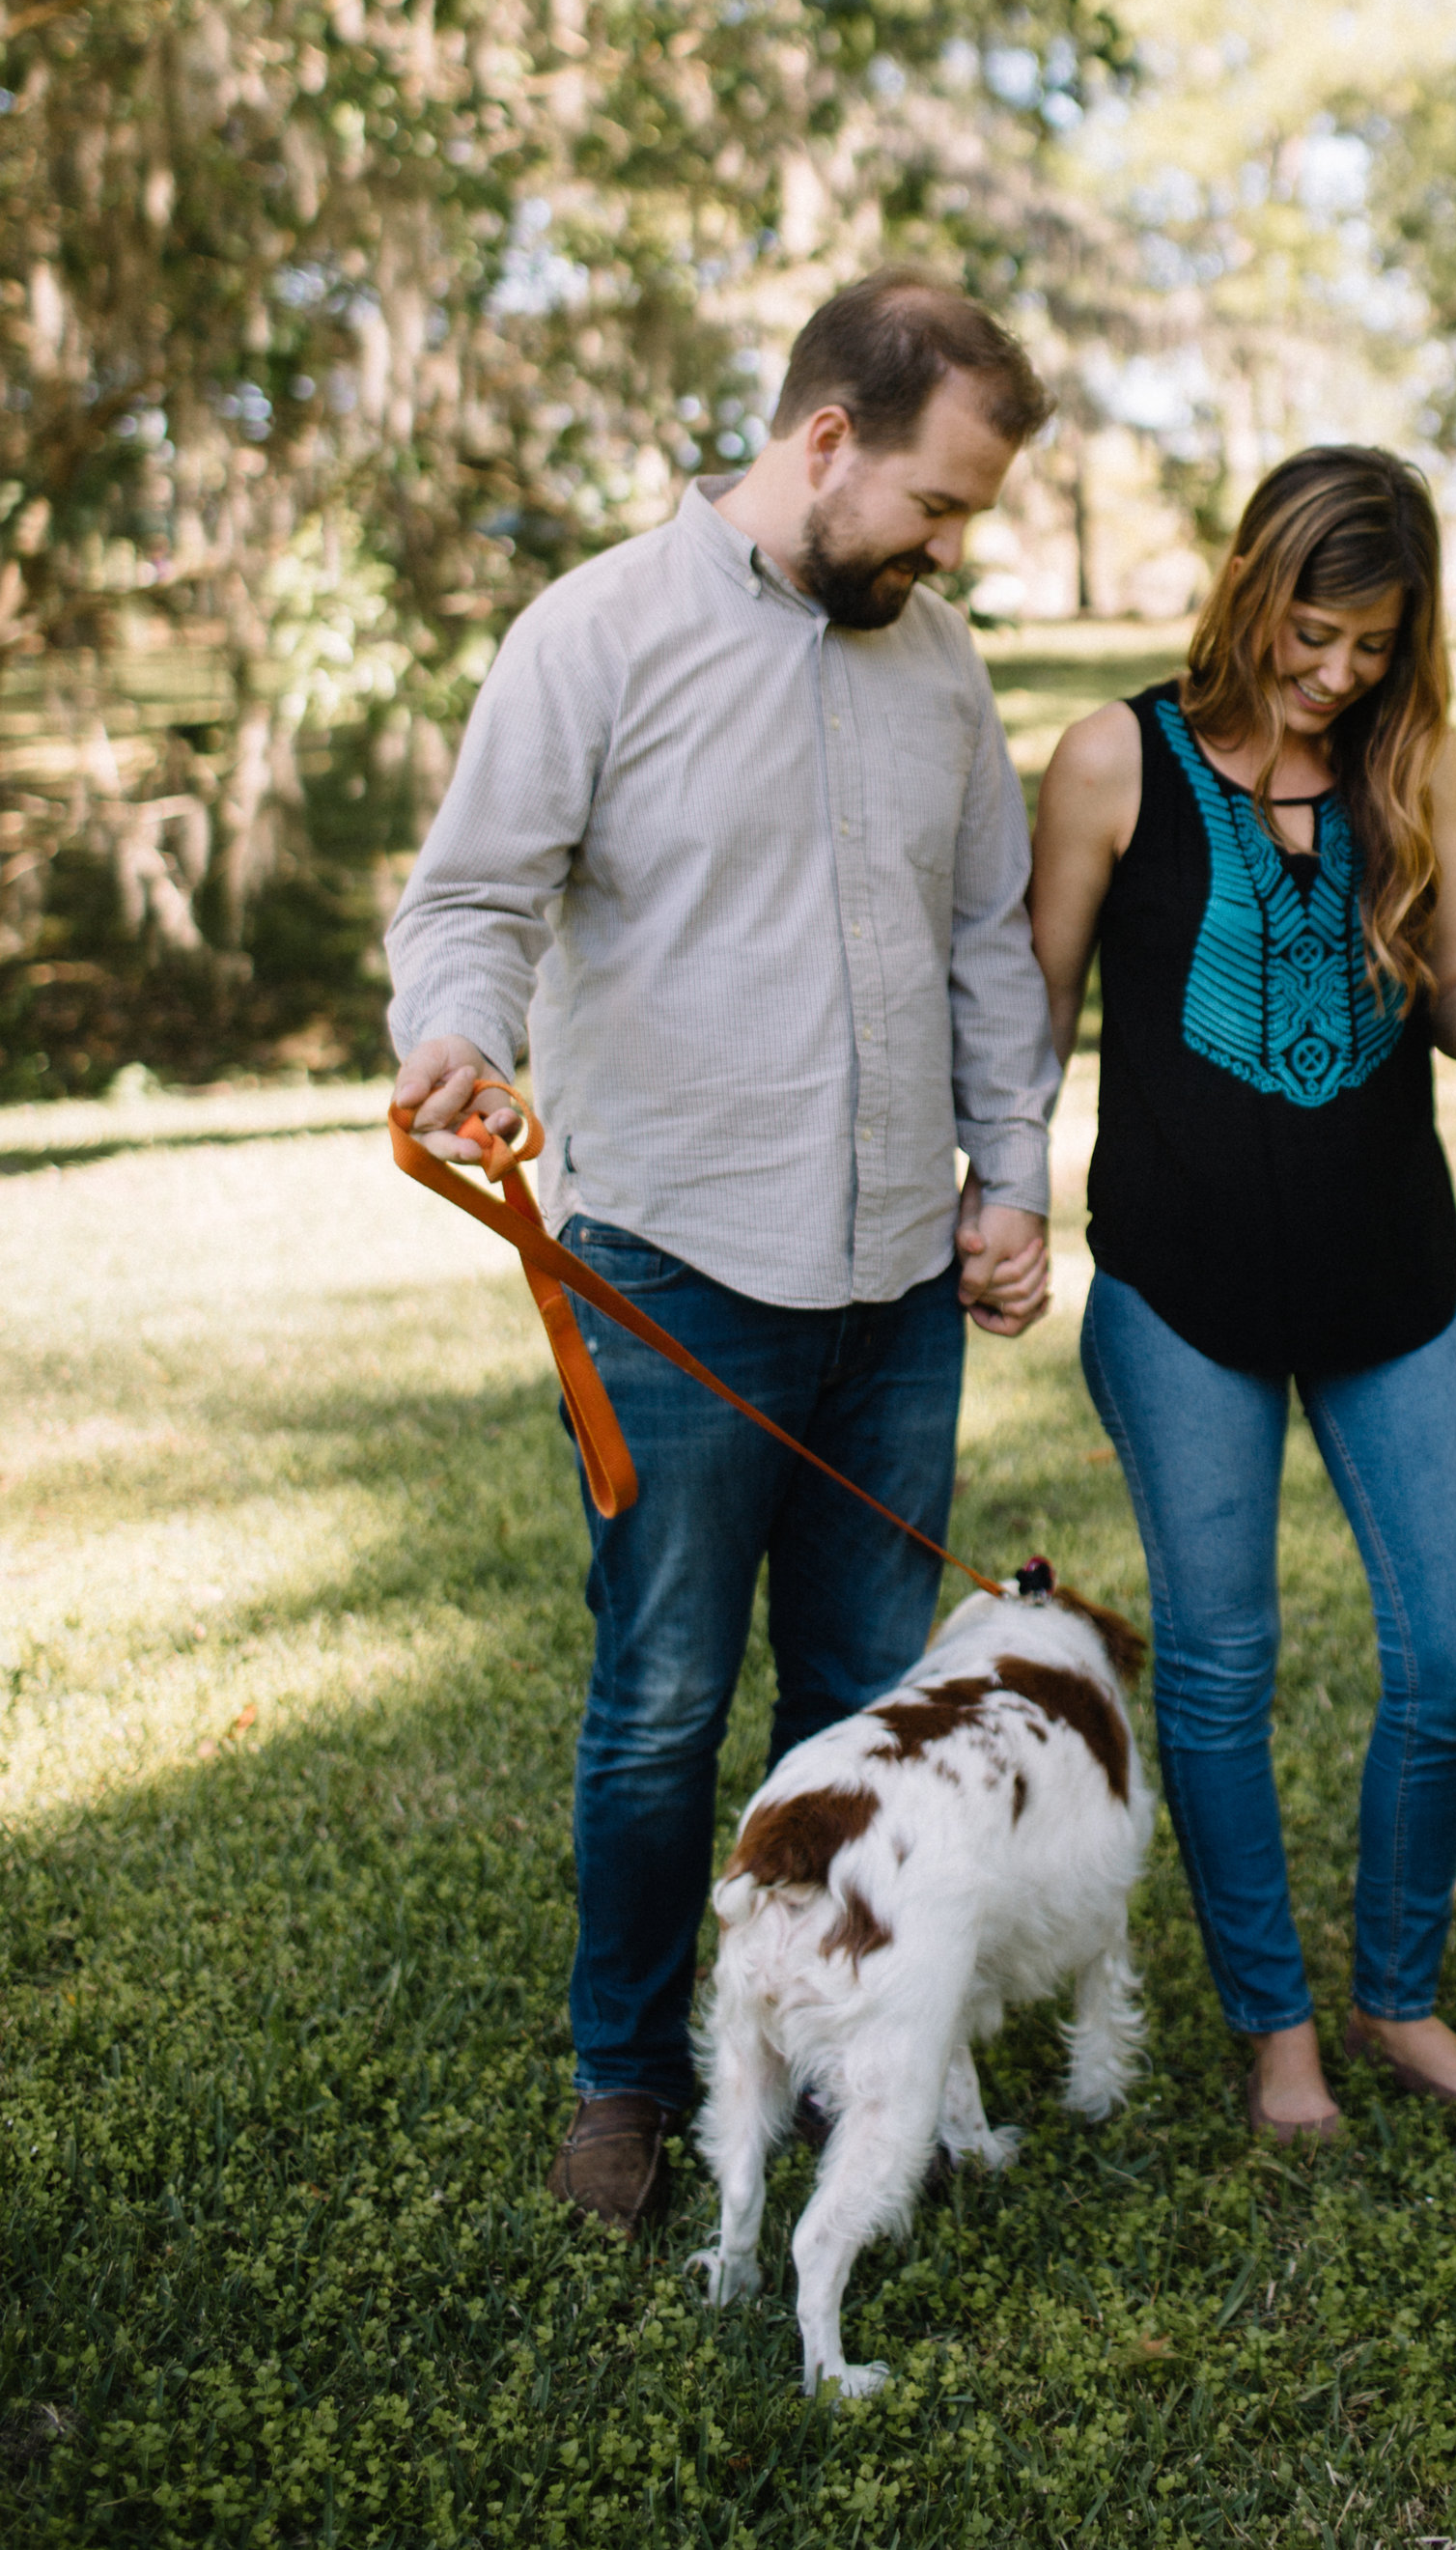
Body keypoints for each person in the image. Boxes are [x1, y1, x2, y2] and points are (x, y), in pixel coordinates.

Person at [386, 269, 1061, 2235]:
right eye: (934, 505)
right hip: (670, 1273)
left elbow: (983, 947)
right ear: (824, 437)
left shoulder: (936, 662)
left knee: (860, 1703)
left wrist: (1005, 1179)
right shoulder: (597, 630)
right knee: (663, 1700)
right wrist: (458, 1035)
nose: (949, 552)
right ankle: (621, 2076)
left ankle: (841, 2036)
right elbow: (476, 898)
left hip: (895, 1287)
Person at [1028, 445, 1456, 2141]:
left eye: (1374, 648)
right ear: (1256, 589)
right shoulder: (1118, 758)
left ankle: (1396, 1991)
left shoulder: (1414, 765)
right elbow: (1033, 1013)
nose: (1339, 675)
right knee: (1220, 1670)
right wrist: (993, 1201)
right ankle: (1277, 2037)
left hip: (1394, 1275)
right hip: (1181, 1289)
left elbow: (1454, 989)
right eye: (1316, 635)